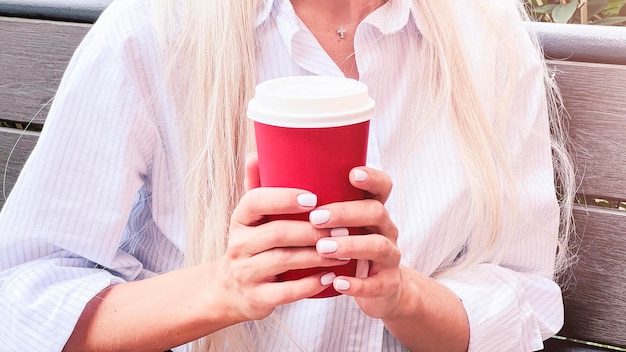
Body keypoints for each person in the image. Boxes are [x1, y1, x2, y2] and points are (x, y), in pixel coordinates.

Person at [0, 0, 575, 351]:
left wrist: (403, 297)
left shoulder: (486, 36)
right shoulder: (155, 27)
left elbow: (521, 294)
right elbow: (20, 298)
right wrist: (223, 289)